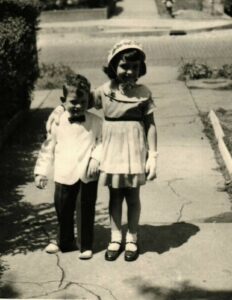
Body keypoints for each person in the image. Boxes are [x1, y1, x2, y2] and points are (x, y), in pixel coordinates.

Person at [47, 40, 158, 262]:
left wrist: (153, 155)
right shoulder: (105, 91)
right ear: (113, 66)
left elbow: (151, 125)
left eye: (135, 67)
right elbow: (79, 100)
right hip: (111, 149)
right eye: (124, 66)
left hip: (134, 149)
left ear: (140, 69)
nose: (129, 71)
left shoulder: (144, 92)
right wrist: (59, 109)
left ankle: (132, 238)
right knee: (115, 196)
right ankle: (115, 237)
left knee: (132, 196)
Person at [34, 74, 102, 260]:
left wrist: (96, 159)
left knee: (85, 208)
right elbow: (48, 147)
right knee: (62, 208)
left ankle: (85, 244)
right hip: (63, 174)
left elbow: (103, 142)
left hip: (87, 174)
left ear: (88, 100)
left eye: (83, 101)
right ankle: (64, 241)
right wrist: (41, 171)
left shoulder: (96, 122)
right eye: (73, 102)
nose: (78, 106)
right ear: (63, 101)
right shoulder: (57, 122)